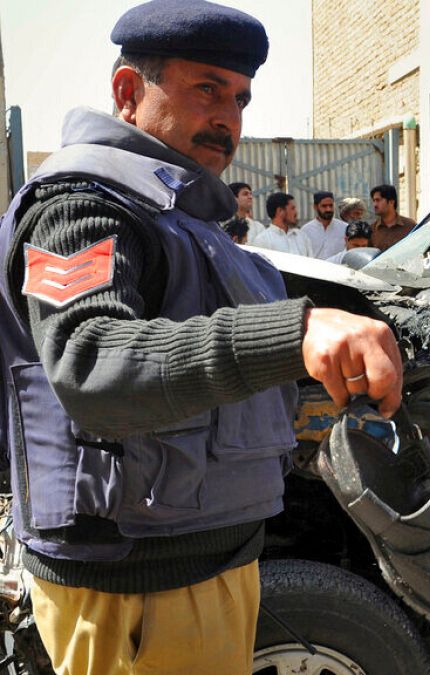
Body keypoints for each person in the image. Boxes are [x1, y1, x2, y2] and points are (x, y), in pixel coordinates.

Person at [0, 2, 404, 672]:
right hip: (132, 583)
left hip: (208, 557)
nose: (228, 118)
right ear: (129, 92)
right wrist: (295, 331)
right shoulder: (80, 205)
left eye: (240, 98)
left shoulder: (185, 213)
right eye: (206, 90)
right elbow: (92, 364)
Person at [254, 191, 314, 257]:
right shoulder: (262, 240)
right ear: (280, 211)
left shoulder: (302, 237)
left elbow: (311, 264)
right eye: (292, 208)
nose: (296, 212)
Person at [301, 190, 347, 259]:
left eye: (330, 206)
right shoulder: (306, 230)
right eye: (324, 206)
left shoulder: (344, 228)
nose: (328, 209)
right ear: (315, 207)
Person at [369, 183, 416, 251]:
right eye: (374, 201)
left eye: (378, 200)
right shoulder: (372, 230)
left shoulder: (410, 226)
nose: (375, 205)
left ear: (391, 202)